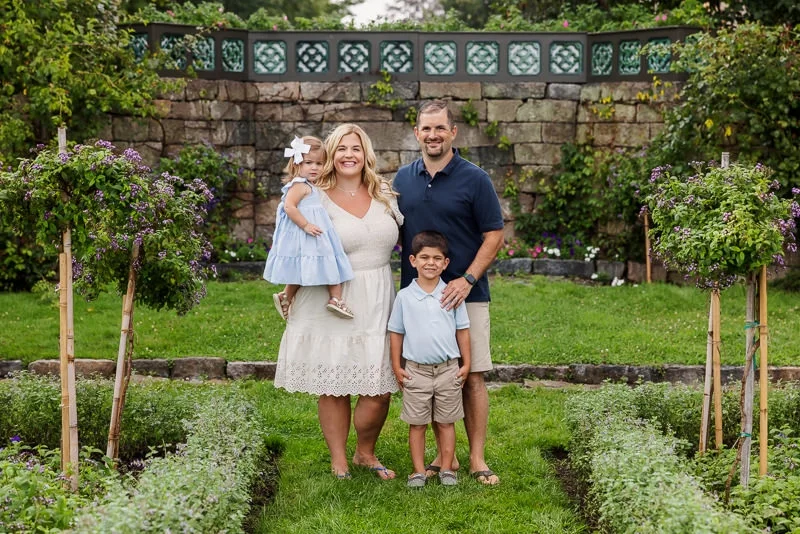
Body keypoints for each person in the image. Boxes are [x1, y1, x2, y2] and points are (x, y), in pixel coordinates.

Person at [273, 123, 403, 480]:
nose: (349, 154)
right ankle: (338, 459)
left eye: (356, 148)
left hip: (378, 294)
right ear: (330, 153)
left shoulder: (385, 193)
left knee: (378, 386)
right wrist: (289, 290)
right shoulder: (314, 194)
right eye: (342, 148)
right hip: (330, 296)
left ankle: (365, 452)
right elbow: (295, 246)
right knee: (333, 383)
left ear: (367, 154)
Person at [393, 100, 504, 486]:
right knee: (424, 374)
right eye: (426, 129)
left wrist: (467, 279)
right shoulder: (402, 180)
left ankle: (476, 459)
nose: (433, 135)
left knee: (470, 376)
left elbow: (495, 235)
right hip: (418, 299)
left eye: (440, 128)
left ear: (453, 132)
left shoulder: (475, 179)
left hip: (464, 295)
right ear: (416, 132)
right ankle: (444, 458)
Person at [388, 230, 471, 488]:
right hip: (416, 371)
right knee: (418, 424)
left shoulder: (452, 295)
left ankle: (447, 468)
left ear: (446, 263)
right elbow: (396, 333)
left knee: (446, 422)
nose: (430, 263)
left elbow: (463, 331)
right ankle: (418, 471)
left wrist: (466, 364)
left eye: (437, 258)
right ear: (412, 260)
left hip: (448, 370)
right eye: (424, 257)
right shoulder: (404, 297)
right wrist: (396, 366)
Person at [263, 135, 355, 320]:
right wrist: (305, 225)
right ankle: (336, 298)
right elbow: (289, 206)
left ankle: (286, 296)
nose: (314, 167)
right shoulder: (299, 186)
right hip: (310, 233)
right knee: (331, 259)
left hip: (314, 232)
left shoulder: (309, 186)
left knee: (307, 267)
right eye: (308, 163)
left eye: (319, 163)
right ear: (297, 164)